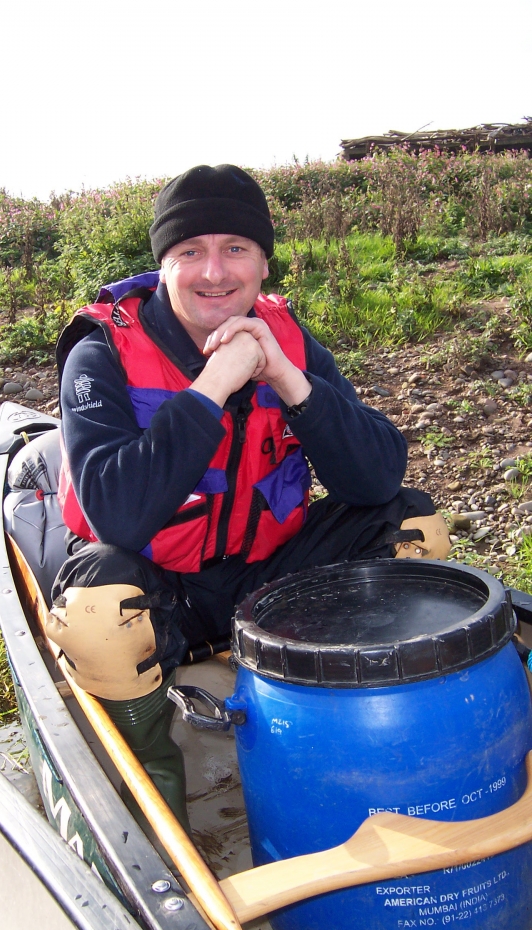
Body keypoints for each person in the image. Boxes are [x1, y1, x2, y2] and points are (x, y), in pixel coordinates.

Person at [46, 164, 450, 836]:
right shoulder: (101, 353)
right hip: (161, 583)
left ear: (263, 264)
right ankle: (150, 810)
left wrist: (290, 380)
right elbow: (115, 513)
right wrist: (209, 389)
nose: (214, 271)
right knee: (98, 611)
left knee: (411, 524)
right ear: (163, 265)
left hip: (267, 575)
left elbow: (376, 478)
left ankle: (376, 739)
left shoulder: (286, 337)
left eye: (235, 248)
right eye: (189, 252)